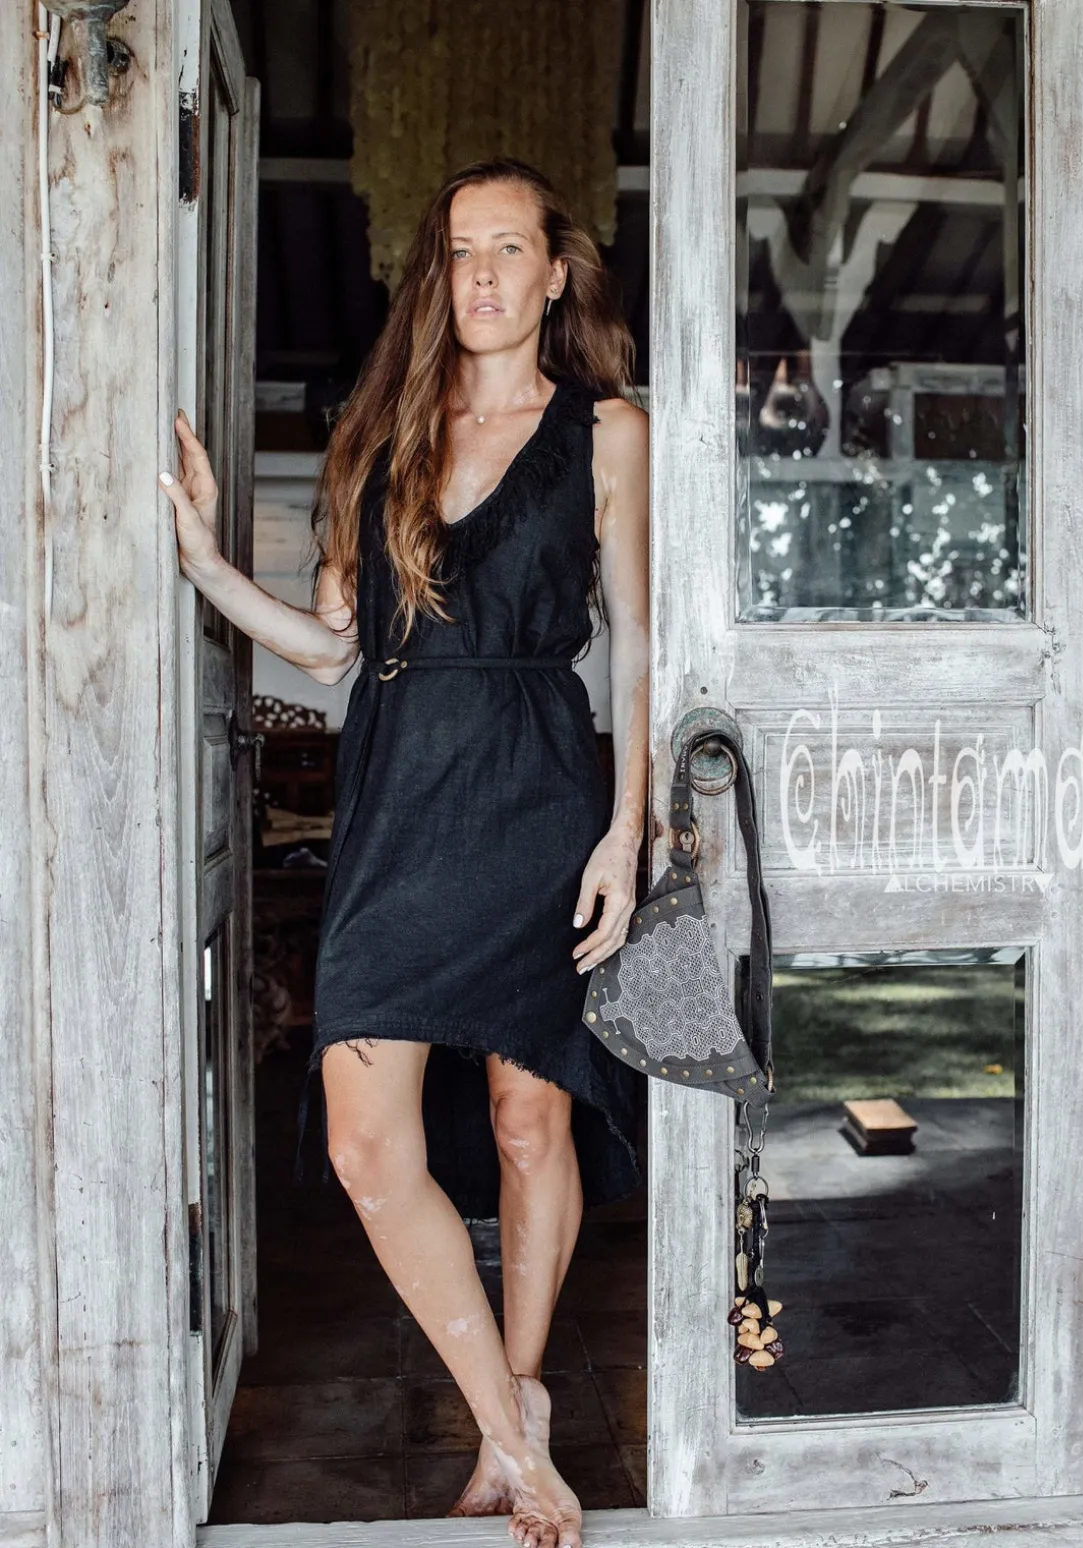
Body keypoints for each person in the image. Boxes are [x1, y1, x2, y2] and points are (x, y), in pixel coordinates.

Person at [160, 157, 650, 1548]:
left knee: (527, 1116)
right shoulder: (383, 434)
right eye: (458, 250)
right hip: (397, 804)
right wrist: (207, 565)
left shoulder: (610, 433)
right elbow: (331, 647)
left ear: (555, 275)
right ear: (436, 276)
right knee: (368, 1144)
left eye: (508, 248)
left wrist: (626, 831)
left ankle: (517, 1409)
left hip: (539, 794)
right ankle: (516, 1432)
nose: (481, 273)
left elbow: (642, 650)